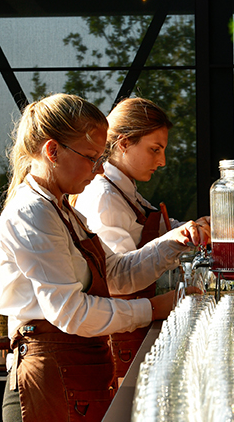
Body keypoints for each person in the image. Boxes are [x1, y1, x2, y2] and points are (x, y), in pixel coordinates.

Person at [0, 93, 207, 422]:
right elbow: (70, 312)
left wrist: (173, 245)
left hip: (79, 377)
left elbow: (115, 274)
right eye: (90, 157)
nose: (97, 168)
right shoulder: (32, 214)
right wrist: (153, 309)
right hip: (50, 385)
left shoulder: (63, 210)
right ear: (52, 151)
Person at [75, 96, 211, 377]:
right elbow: (118, 279)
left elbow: (160, 227)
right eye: (154, 150)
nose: (162, 161)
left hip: (138, 332)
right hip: (123, 340)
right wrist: (177, 239)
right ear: (124, 143)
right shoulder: (103, 195)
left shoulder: (125, 191)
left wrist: (196, 226)